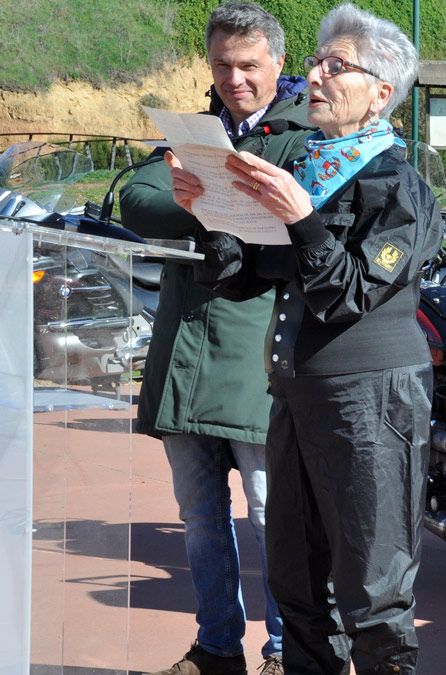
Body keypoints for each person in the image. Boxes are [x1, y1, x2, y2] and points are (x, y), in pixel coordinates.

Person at [167, 3, 442, 673]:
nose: (315, 76)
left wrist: (304, 221)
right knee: (298, 590)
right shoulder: (316, 171)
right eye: (316, 63)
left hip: (371, 406)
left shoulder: (398, 185)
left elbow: (348, 292)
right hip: (294, 399)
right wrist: (207, 211)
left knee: (374, 598)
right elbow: (243, 277)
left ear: (382, 92)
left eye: (335, 66)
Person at [119, 3, 314, 674]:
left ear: (278, 66)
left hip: (258, 361)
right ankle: (216, 647)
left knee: (273, 520)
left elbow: (301, 214)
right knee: (201, 522)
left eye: (250, 65)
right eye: (223, 65)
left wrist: (206, 195)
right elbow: (136, 199)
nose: (235, 79)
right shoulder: (190, 132)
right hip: (184, 360)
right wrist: (193, 199)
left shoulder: (304, 135)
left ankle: (289, 650)